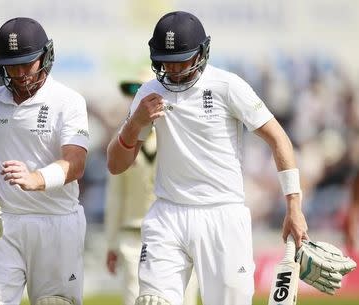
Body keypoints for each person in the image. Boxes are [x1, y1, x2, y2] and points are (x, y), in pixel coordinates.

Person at [106, 11, 308, 305]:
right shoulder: (149, 92)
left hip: (222, 215)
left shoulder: (228, 86)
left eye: (182, 59)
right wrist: (134, 124)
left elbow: (278, 138)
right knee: (151, 301)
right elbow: (115, 165)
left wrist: (294, 205)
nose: (173, 69)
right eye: (166, 60)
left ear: (202, 53)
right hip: (168, 215)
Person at [0, 17, 89, 305]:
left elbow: (76, 163)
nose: (19, 73)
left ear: (45, 57)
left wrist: (36, 178)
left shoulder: (68, 100)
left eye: (27, 63)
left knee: (55, 302)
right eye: (11, 66)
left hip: (56, 223)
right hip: (3, 223)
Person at [105, 80, 198, 305]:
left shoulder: (180, 138)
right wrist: (111, 241)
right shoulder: (122, 141)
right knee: (135, 299)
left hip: (177, 230)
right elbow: (116, 195)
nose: (138, 100)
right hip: (132, 234)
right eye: (135, 94)